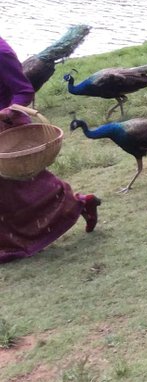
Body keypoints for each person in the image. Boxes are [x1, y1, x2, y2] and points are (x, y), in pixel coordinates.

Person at [0, 35, 99, 265]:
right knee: (13, 194)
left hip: (7, 129)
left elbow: (23, 91)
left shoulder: (1, 52)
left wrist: (5, 114)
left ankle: (78, 203)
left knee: (24, 189)